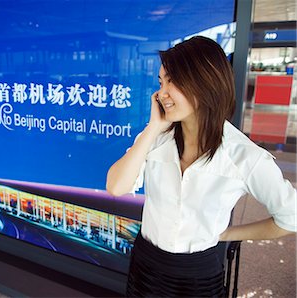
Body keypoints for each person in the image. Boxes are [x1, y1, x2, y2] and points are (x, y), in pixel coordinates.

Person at [106, 36, 296, 297]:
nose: (162, 93)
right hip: (146, 265)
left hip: (198, 275)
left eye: (172, 81)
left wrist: (226, 234)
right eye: (161, 82)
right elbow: (116, 186)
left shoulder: (244, 156)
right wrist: (153, 128)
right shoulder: (156, 138)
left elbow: (290, 218)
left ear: (204, 83)